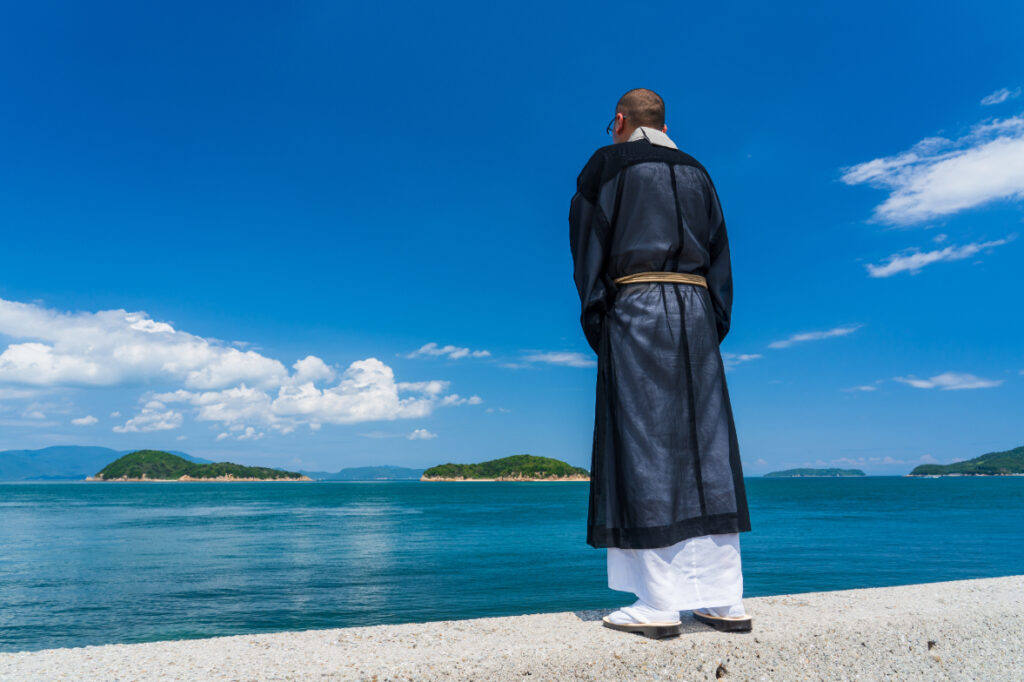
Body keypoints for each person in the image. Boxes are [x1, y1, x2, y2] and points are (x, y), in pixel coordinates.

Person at [568, 88, 752, 639]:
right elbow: (721, 252)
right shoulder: (700, 172)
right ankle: (725, 600)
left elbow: (587, 248)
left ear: (620, 120)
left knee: (641, 444)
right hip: (696, 309)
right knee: (707, 447)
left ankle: (657, 603)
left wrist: (602, 319)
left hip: (636, 304)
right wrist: (709, 319)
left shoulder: (606, 164)